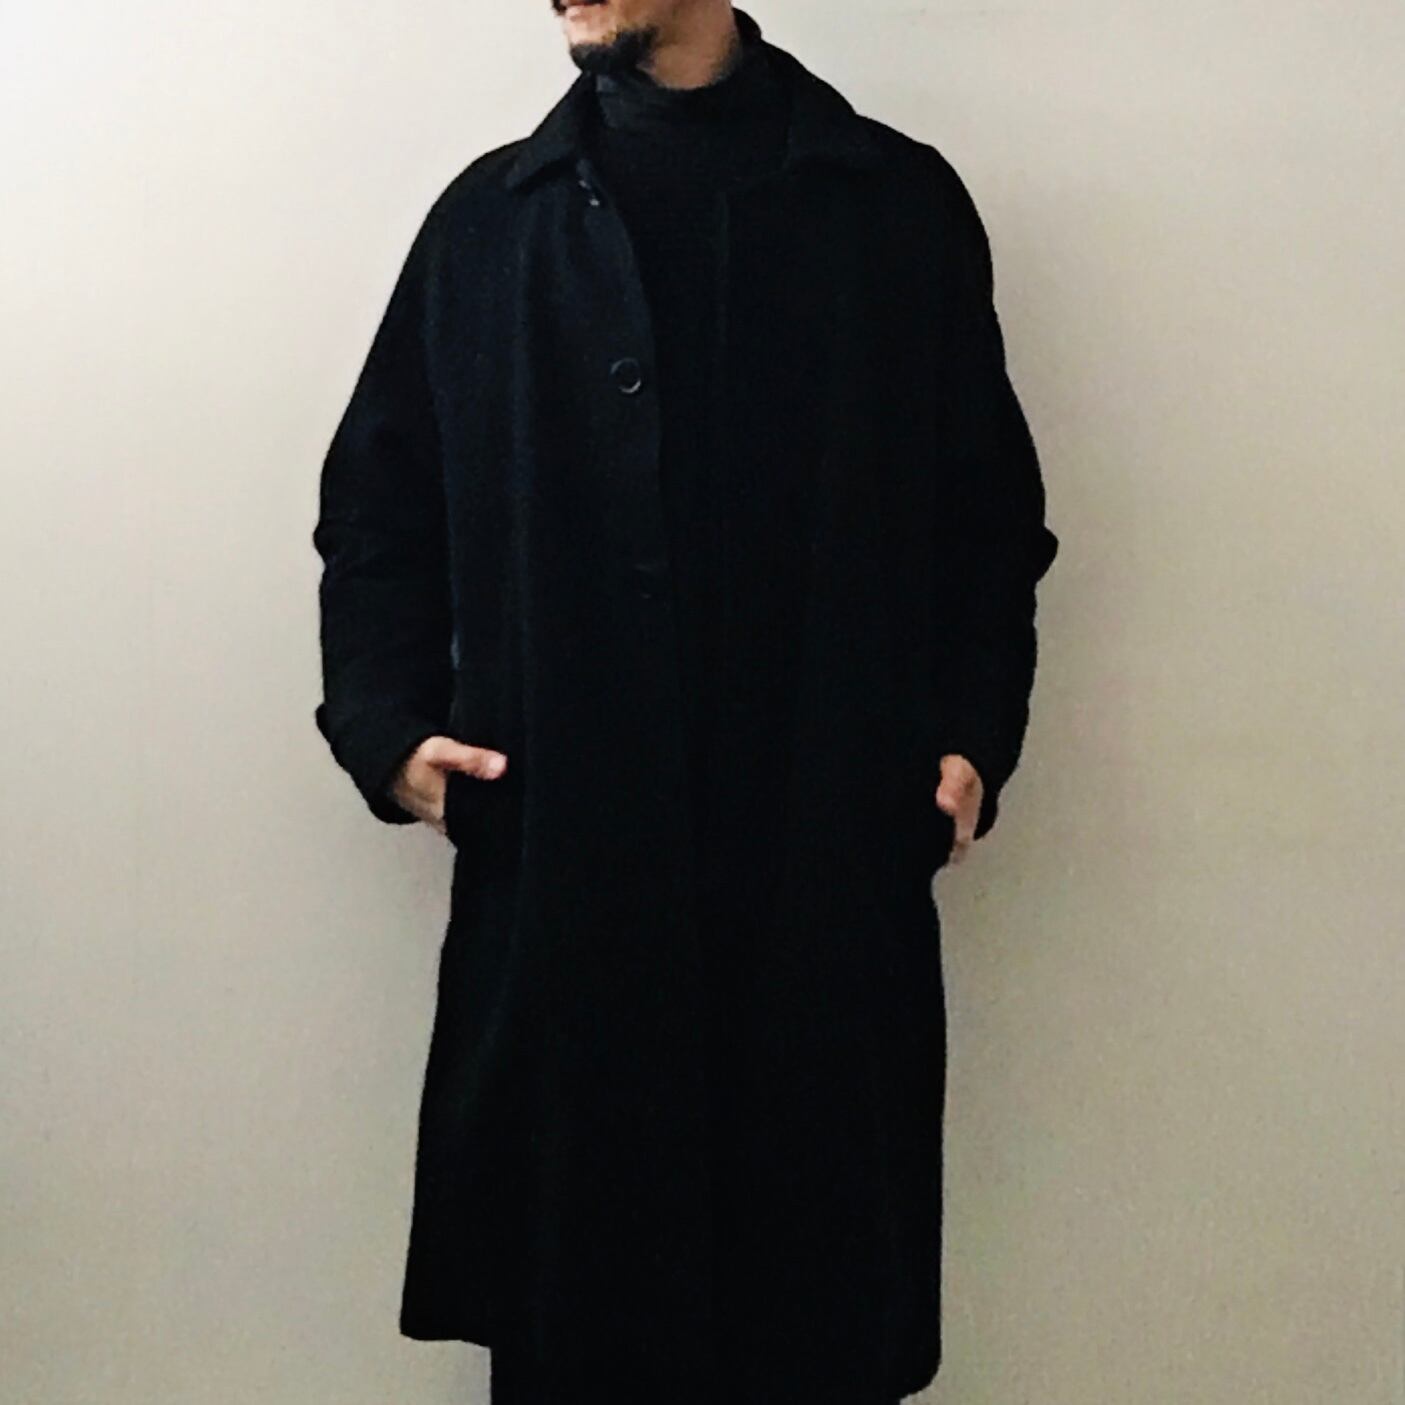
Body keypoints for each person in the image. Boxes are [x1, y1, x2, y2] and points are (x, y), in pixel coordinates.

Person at [311, 2, 1059, 1401]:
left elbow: (986, 519)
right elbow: (377, 513)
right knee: (576, 1330)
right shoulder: (493, 224)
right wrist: (385, 730)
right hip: (569, 887)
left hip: (820, 883)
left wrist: (972, 732)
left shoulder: (891, 207)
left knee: (816, 1326)